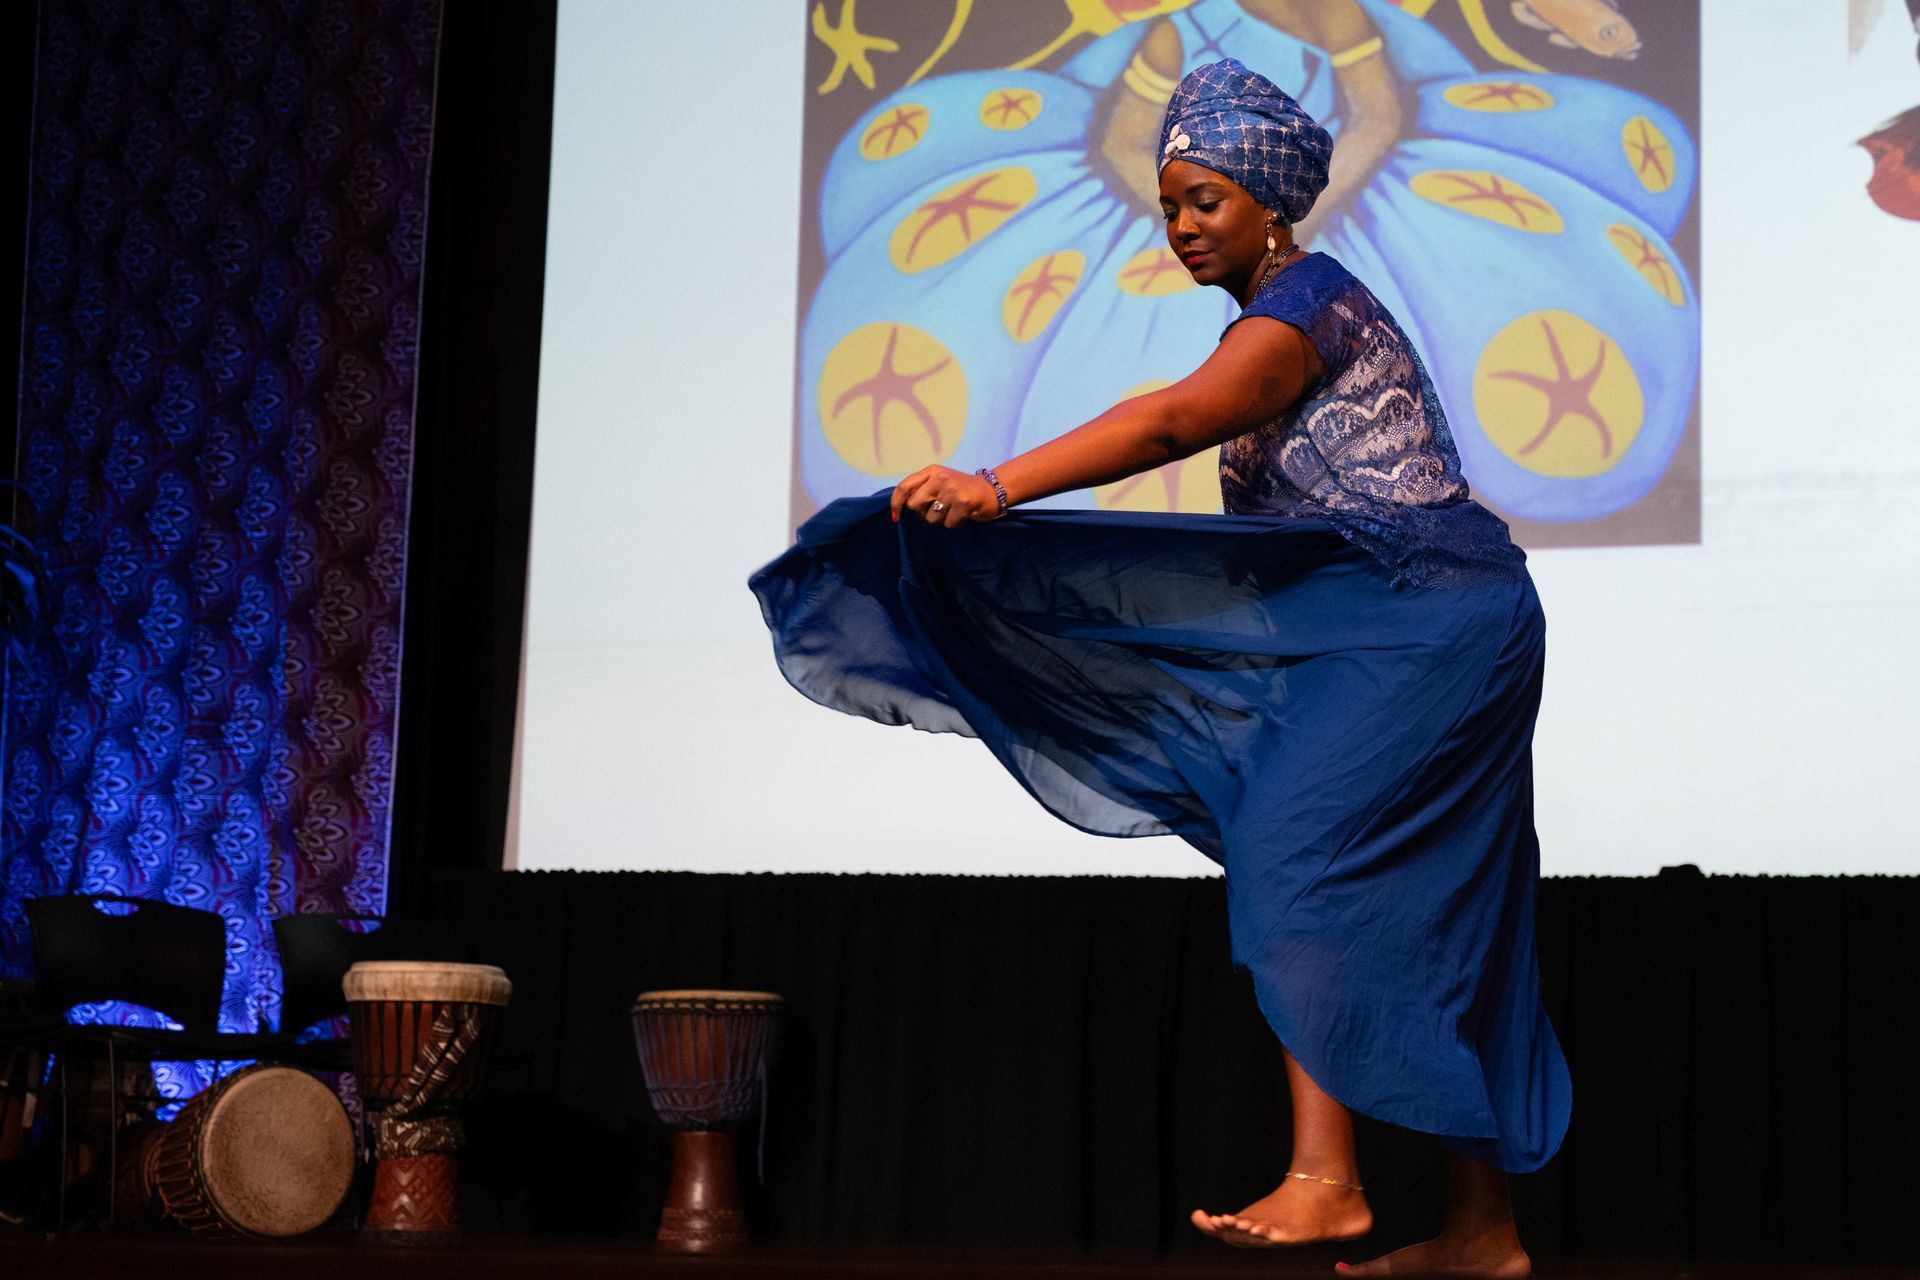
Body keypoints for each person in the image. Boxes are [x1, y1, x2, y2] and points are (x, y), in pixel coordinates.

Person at [753, 57, 1567, 1280]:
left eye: (1208, 200)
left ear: (1270, 205)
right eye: (1171, 202)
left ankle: (1328, 1179)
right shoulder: (1277, 312)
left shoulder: (1305, 304)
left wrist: (996, 485)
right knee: (1454, 907)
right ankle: (1484, 1233)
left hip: (1436, 619)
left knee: (1292, 854)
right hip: (1420, 623)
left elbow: (1173, 420)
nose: (1182, 224)